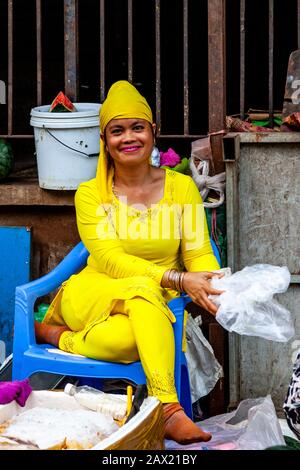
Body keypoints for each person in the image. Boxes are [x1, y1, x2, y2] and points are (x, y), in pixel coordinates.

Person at [35, 80, 223, 444]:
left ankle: (58, 337)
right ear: (105, 141)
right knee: (141, 286)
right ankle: (167, 408)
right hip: (95, 293)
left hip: (149, 305)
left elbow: (198, 252)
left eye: (137, 127)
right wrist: (179, 280)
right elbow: (110, 260)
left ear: (153, 131)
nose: (129, 137)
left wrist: (214, 284)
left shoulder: (181, 187)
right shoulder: (90, 194)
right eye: (117, 131)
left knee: (126, 339)